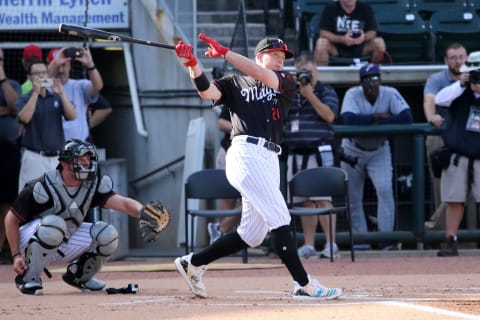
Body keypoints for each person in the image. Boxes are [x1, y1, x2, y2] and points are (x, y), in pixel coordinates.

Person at [174, 34, 342, 300]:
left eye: (282, 56)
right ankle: (304, 284)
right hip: (245, 152)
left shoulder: (285, 82)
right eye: (273, 54)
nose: (279, 60)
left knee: (252, 234)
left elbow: (261, 75)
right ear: (259, 56)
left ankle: (192, 262)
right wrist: (194, 64)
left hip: (270, 158)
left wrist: (226, 53)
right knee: (280, 218)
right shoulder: (234, 82)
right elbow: (207, 92)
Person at [4, 139, 145, 295]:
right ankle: (28, 278)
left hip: (63, 239)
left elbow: (123, 204)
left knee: (108, 234)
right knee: (55, 224)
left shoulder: (91, 185)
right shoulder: (42, 186)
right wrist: (16, 255)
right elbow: (11, 219)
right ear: (64, 164)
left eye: (88, 159)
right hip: (31, 242)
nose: (86, 163)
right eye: (80, 159)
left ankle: (79, 277)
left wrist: (143, 213)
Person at [340, 63, 413, 249]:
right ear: (361, 83)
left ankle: (385, 238)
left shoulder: (389, 92)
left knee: (385, 190)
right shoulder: (352, 94)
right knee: (353, 197)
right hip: (352, 149)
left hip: (379, 150)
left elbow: (407, 117)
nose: (372, 83)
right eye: (367, 80)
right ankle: (361, 240)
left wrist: (380, 121)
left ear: (380, 80)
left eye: (375, 78)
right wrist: (376, 117)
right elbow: (348, 119)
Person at [284, 53, 340, 259]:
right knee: (305, 201)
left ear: (316, 71)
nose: (306, 75)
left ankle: (331, 243)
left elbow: (330, 116)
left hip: (319, 152)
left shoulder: (326, 91)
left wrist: (310, 95)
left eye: (310, 71)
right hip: (296, 154)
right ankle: (308, 244)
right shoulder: (291, 93)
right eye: (302, 72)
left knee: (323, 200)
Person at [434, 51, 480, 257]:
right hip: (459, 153)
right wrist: (462, 83)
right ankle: (450, 239)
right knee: (454, 199)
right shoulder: (459, 90)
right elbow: (440, 100)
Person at [423, 43, 468, 230]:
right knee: (444, 191)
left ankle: (467, 238)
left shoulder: (475, 75)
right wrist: (431, 116)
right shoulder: (438, 79)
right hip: (443, 138)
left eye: (461, 57)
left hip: (469, 140)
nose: (458, 62)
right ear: (446, 61)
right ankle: (439, 235)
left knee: (470, 192)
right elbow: (431, 99)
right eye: (453, 58)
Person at [17, 61, 76, 192]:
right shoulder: (25, 98)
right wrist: (35, 93)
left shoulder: (56, 96)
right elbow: (24, 118)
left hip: (56, 158)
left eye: (43, 72)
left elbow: (72, 116)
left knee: (58, 199)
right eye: (36, 73)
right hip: (34, 156)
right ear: (30, 77)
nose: (41, 76)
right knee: (29, 201)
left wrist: (61, 93)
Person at [47, 46, 104, 142]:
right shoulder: (44, 87)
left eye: (64, 65)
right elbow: (37, 84)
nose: (60, 70)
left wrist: (90, 64)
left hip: (78, 147)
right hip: (52, 149)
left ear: (69, 65)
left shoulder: (79, 85)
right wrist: (56, 62)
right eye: (57, 66)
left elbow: (98, 86)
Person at [314, 0, 386, 66]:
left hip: (360, 48)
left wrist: (364, 37)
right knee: (321, 43)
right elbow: (323, 33)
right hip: (337, 48)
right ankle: (322, 77)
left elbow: (372, 32)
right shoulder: (330, 8)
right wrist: (342, 39)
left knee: (379, 42)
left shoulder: (365, 8)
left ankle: (374, 74)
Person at [207, 104, 241, 244]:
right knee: (228, 198)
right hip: (230, 152)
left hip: (254, 156)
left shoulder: (266, 97)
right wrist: (244, 130)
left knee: (254, 200)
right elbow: (221, 123)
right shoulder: (237, 94)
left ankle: (220, 229)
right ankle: (221, 239)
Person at [0, 48, 21, 264]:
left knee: (8, 201)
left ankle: (5, 248)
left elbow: (15, 106)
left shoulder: (12, 84)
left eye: (1, 59)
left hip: (7, 151)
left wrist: (2, 78)